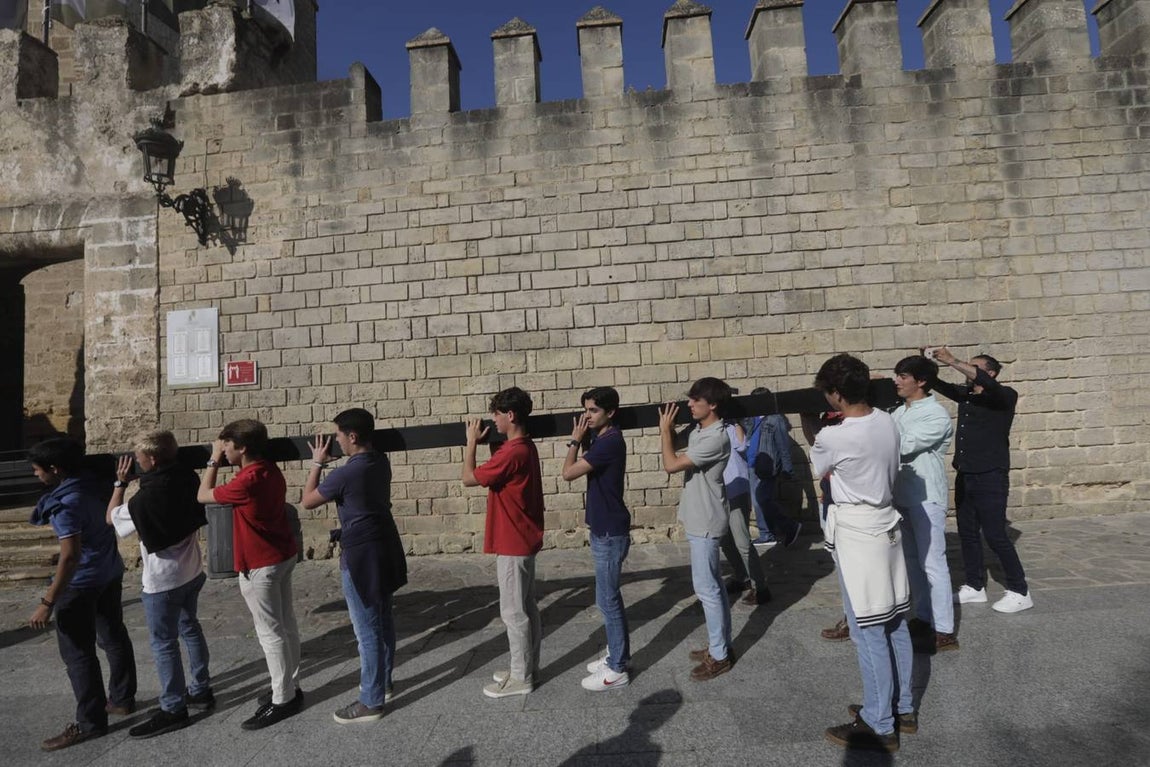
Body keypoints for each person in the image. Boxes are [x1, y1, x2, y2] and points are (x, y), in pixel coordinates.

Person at [803, 354, 913, 754]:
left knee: (868, 632)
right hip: (887, 525)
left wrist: (812, 423)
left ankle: (879, 722)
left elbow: (821, 466)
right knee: (895, 621)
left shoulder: (834, 436)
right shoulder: (887, 420)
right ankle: (901, 707)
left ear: (835, 394)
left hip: (858, 534)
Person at [28, 437, 137, 752]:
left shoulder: (65, 504)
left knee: (78, 654)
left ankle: (90, 723)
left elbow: (70, 557)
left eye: (37, 470)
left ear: (55, 469)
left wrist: (47, 602)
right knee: (114, 636)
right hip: (110, 572)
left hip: (81, 584)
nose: (36, 476)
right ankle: (122, 699)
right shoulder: (98, 484)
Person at [302, 408, 408, 723]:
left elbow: (307, 500)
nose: (335, 440)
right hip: (384, 545)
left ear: (352, 436)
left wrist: (317, 464)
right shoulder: (380, 461)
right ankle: (383, 683)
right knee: (383, 619)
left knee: (367, 631)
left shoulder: (346, 474)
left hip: (361, 554)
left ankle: (371, 701)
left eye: (338, 435)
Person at [106, 431, 213, 739]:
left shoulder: (145, 498)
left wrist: (120, 484)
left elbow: (111, 519)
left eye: (138, 457)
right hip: (192, 570)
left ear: (151, 459)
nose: (136, 462)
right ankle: (200, 690)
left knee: (164, 643)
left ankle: (173, 708)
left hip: (162, 580)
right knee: (190, 627)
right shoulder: (187, 477)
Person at [197, 419, 302, 729]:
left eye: (226, 445)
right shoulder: (269, 469)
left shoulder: (245, 482)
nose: (223, 450)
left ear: (241, 448)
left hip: (260, 564)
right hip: (282, 555)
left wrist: (212, 460)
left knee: (270, 633)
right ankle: (289, 686)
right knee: (288, 625)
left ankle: (282, 699)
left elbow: (203, 494)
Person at [932, 347, 1032, 613]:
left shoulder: (1004, 396)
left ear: (990, 373)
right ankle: (975, 586)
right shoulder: (966, 396)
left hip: (991, 475)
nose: (967, 371)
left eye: (973, 367)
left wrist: (952, 360)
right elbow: (937, 384)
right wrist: (925, 362)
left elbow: (986, 384)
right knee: (967, 533)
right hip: (967, 474)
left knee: (996, 535)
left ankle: (1020, 590)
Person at [462, 387, 545, 699]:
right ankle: (527, 667)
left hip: (512, 542)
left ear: (510, 415)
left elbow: (469, 477)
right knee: (526, 607)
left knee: (514, 612)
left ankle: (522, 677)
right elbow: (498, 467)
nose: (492, 420)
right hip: (522, 538)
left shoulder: (512, 453)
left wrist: (471, 442)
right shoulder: (523, 447)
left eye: (496, 414)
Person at [658, 377, 735, 681]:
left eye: (695, 401)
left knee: (707, 590)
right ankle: (721, 645)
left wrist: (665, 431)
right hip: (699, 518)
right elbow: (678, 446)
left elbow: (671, 464)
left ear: (712, 404)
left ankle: (719, 655)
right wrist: (672, 429)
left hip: (706, 521)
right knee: (713, 587)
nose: (689, 404)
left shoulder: (716, 437)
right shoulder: (700, 431)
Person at [561, 386, 632, 691]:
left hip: (609, 532)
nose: (586, 416)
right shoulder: (604, 439)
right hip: (604, 529)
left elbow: (567, 473)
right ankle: (615, 655)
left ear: (610, 412)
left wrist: (575, 440)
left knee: (609, 601)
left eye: (593, 411)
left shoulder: (609, 443)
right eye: (585, 410)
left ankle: (617, 669)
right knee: (605, 598)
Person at [891, 356, 957, 651]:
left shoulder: (936, 414)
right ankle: (923, 615)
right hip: (901, 495)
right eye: (897, 375)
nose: (897, 381)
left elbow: (902, 446)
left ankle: (944, 631)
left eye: (903, 376)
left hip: (926, 496)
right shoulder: (896, 412)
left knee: (933, 563)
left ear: (921, 381)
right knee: (912, 562)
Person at [720, 420, 771, 606]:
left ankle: (761, 587)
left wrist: (737, 423)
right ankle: (742, 576)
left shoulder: (732, 427)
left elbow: (742, 445)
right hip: (718, 492)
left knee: (742, 541)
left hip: (736, 490)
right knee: (724, 540)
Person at [746, 387, 802, 549]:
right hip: (751, 465)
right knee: (759, 501)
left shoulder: (775, 419)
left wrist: (787, 469)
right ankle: (767, 533)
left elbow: (783, 446)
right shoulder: (752, 418)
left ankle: (785, 527)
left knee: (761, 500)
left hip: (767, 466)